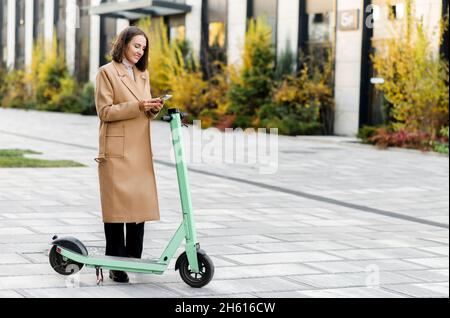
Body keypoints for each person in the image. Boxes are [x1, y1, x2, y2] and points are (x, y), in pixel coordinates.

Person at [94, 26, 164, 283]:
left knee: (138, 205)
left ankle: (134, 258)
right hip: (117, 149)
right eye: (137, 45)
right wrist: (138, 106)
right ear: (123, 43)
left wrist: (152, 108)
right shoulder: (106, 72)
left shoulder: (142, 73)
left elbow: (142, 108)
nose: (140, 51)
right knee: (116, 209)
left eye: (143, 48)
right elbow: (105, 112)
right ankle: (115, 263)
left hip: (139, 147)